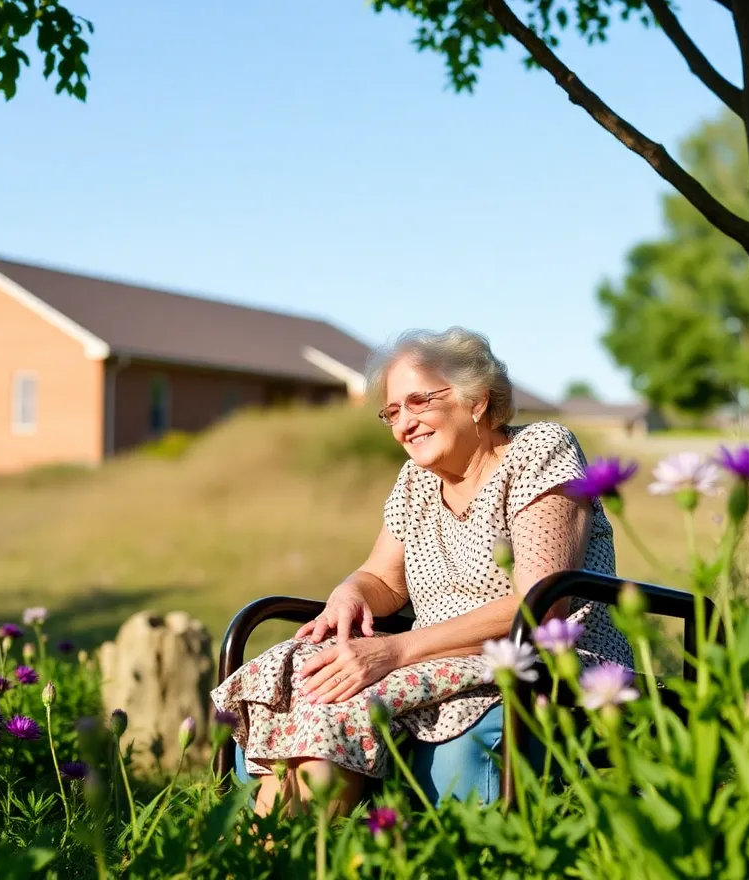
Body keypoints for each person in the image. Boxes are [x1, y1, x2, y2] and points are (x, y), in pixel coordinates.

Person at [211, 327, 632, 816]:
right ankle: (277, 848)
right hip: (432, 660)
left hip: (540, 658)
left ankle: (284, 849)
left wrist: (396, 650)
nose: (404, 424)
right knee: (305, 672)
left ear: (476, 401)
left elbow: (540, 602)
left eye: (419, 402)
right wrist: (349, 592)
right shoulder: (417, 479)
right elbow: (383, 580)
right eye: (392, 412)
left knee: (345, 683)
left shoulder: (539, 450)